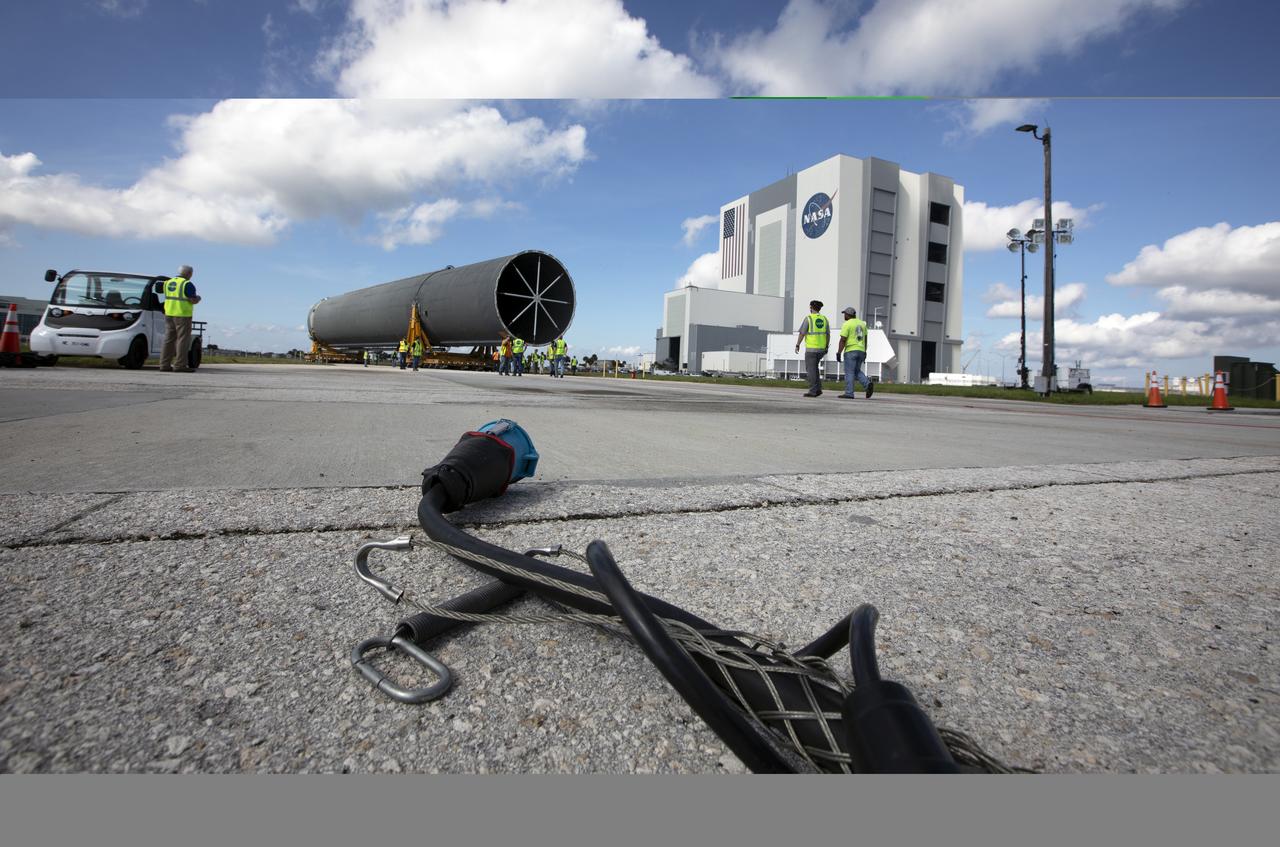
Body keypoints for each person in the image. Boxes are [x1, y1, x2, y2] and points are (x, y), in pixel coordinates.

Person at [159, 264, 201, 372]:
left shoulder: (167, 283)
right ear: (189, 274)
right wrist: (198, 298)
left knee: (168, 339)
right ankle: (179, 365)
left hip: (169, 314)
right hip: (182, 315)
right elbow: (192, 300)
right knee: (182, 340)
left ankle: (164, 365)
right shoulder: (187, 284)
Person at [836, 306, 874, 400]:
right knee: (856, 371)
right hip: (861, 350)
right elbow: (865, 339)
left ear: (848, 315)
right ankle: (867, 384)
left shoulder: (847, 324)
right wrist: (865, 352)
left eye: (844, 314)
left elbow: (843, 340)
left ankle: (849, 393)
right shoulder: (862, 324)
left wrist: (839, 352)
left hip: (850, 350)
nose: (844, 315)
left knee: (849, 372)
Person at [793, 300, 829, 397]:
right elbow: (827, 335)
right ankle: (818, 389)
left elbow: (802, 333)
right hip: (821, 349)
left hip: (811, 349)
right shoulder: (824, 319)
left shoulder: (808, 319)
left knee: (811, 370)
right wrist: (826, 346)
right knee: (815, 369)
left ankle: (813, 391)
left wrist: (797, 344)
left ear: (811, 308)